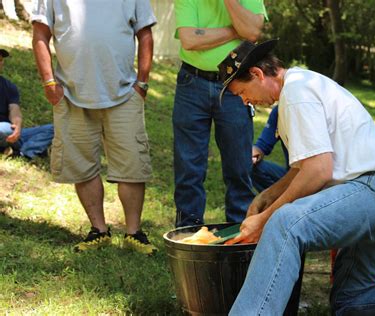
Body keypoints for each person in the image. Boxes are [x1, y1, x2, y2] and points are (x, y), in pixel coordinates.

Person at [217, 40, 375, 315]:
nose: (244, 101)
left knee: (284, 223)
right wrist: (266, 196)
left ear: (256, 74)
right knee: (348, 303)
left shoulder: (297, 91)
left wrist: (265, 219)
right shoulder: (302, 86)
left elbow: (319, 171)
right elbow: (304, 167)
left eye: (241, 92)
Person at [31, 1, 157, 255]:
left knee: (132, 164)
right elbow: (40, 34)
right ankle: (99, 230)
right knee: (81, 163)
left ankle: (134, 233)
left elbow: (145, 34)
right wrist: (48, 83)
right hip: (71, 92)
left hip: (124, 92)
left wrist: (142, 83)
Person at [172, 0, 267, 227]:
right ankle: (188, 233)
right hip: (191, 82)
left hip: (237, 84)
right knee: (189, 167)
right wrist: (235, 31)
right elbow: (190, 40)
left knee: (239, 168)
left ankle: (240, 234)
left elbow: (253, 32)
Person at [0, 48, 54, 159]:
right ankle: (21, 147)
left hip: (8, 131)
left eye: (0, 60)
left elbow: (14, 109)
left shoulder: (9, 86)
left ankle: (23, 152)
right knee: (3, 129)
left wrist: (17, 126)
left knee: (55, 128)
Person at [251, 105, 288, 192]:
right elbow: (263, 145)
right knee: (250, 166)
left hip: (317, 176)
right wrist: (251, 155)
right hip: (291, 175)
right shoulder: (280, 111)